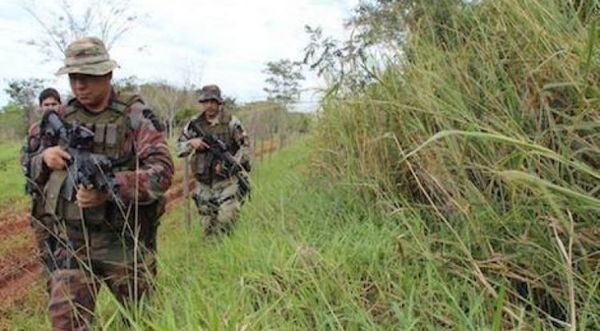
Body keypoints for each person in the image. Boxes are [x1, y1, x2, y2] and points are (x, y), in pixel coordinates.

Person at [27, 36, 174, 330]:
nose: (80, 85)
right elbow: (26, 163)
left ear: (108, 74)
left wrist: (110, 189)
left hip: (123, 241)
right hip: (71, 242)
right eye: (74, 77)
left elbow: (162, 172)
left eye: (89, 76)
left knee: (141, 319)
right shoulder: (59, 117)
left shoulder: (136, 117)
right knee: (66, 322)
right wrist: (44, 158)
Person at [177, 84, 251, 237]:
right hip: (204, 183)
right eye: (206, 102)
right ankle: (210, 251)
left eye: (213, 102)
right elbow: (179, 147)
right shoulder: (194, 124)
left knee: (226, 219)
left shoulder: (231, 122)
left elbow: (245, 148)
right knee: (207, 225)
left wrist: (230, 165)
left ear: (219, 103)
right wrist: (192, 143)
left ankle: (227, 250)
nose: (209, 106)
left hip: (227, 181)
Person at [21, 88, 63, 274]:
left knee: (63, 241)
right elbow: (25, 159)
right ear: (40, 107)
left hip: (61, 195)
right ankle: (49, 276)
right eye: (46, 104)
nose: (50, 107)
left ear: (60, 105)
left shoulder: (66, 127)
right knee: (43, 239)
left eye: (54, 104)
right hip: (40, 195)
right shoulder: (34, 130)